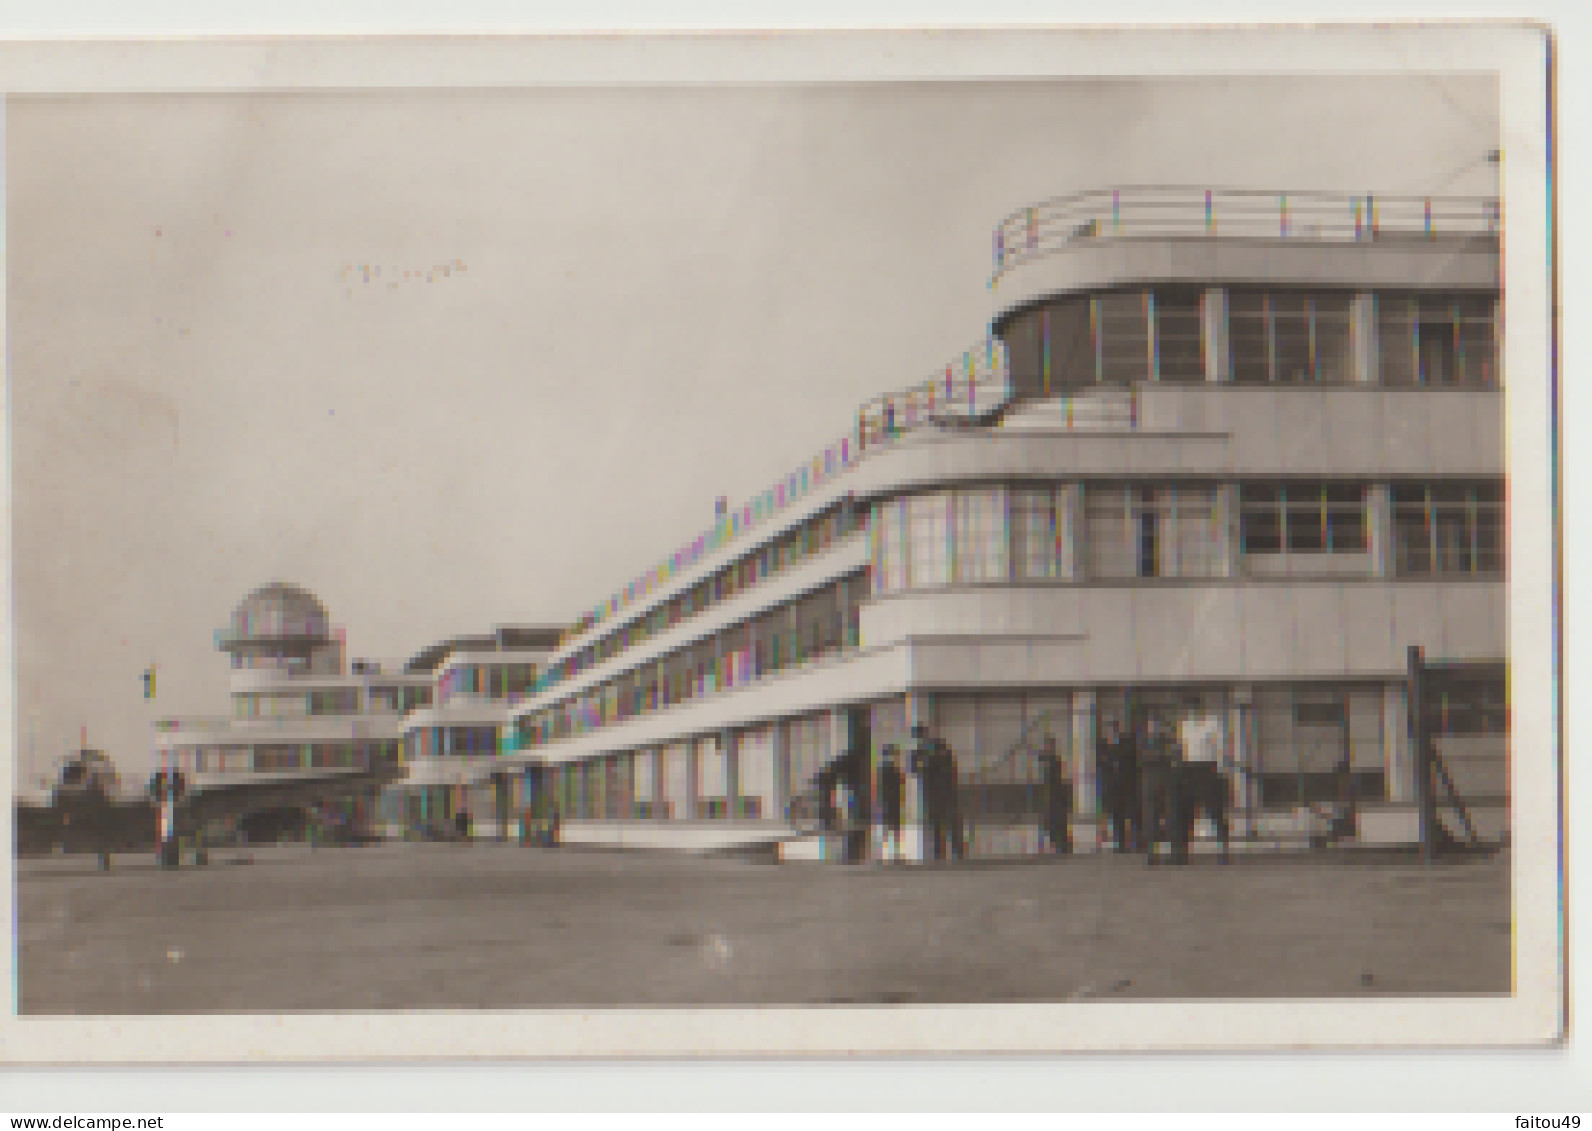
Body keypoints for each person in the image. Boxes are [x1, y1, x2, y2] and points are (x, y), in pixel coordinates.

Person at [1038, 734, 1072, 854]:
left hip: (1057, 794)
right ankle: (1059, 844)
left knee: (1058, 821)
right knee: (1053, 821)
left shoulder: (1055, 759)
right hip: (1051, 795)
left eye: (1048, 745)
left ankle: (1063, 845)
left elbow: (1045, 759)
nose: (1046, 748)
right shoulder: (1050, 759)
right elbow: (1041, 757)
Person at [877, 746, 906, 863]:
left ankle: (889, 852)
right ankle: (891, 852)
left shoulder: (887, 770)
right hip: (891, 802)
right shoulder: (890, 770)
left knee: (890, 828)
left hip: (890, 802)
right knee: (892, 828)